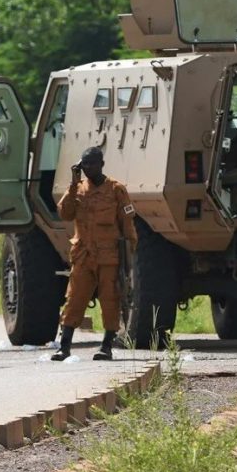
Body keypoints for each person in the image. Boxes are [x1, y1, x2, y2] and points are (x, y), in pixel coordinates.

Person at [52, 147, 137, 362]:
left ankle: (106, 346)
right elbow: (64, 213)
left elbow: (127, 226)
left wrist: (129, 258)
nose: (88, 168)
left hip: (109, 257)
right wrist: (73, 182)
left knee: (110, 300)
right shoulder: (77, 190)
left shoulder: (116, 190)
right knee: (74, 299)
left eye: (92, 164)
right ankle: (64, 346)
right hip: (83, 255)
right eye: (85, 164)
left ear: (101, 164)